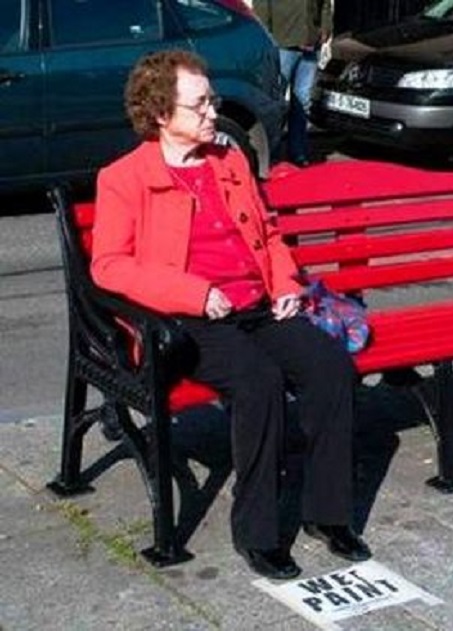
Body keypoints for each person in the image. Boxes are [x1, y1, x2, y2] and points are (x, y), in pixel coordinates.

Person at [90, 49, 370, 581]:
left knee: (329, 366)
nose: (212, 113)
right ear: (159, 115)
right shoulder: (123, 178)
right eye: (199, 106)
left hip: (257, 306)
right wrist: (192, 293)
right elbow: (108, 267)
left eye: (211, 100)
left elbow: (266, 233)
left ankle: (328, 515)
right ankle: (259, 534)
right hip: (186, 321)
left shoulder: (229, 159)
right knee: (258, 381)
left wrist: (286, 283)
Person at [254, 0, 332, 165]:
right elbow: (261, 5)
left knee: (302, 101)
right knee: (275, 100)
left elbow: (325, 4)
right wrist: (265, 35)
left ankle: (298, 152)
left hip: (310, 44)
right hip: (283, 43)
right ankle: (269, 153)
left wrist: (325, 29)